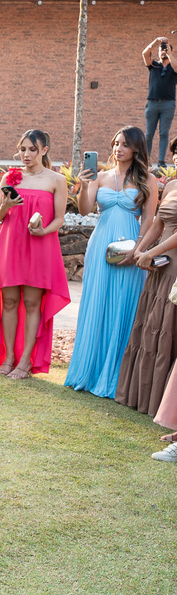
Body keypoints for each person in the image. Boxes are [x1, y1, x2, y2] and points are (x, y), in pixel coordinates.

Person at [65, 127, 156, 397]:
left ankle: (115, 377)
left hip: (130, 248)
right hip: (100, 246)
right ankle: (88, 370)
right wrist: (83, 185)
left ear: (137, 149)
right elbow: (84, 210)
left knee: (123, 307)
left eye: (125, 144)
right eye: (116, 143)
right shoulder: (100, 176)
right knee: (97, 304)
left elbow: (149, 219)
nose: (118, 148)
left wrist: (138, 249)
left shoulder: (148, 180)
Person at [0, 129, 71, 379]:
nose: (26, 154)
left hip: (40, 246)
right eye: (23, 149)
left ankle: (25, 361)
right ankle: (8, 356)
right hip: (10, 244)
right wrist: (6, 206)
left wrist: (43, 232)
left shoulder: (56, 180)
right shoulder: (10, 177)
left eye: (32, 149)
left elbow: (60, 219)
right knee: (9, 302)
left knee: (32, 303)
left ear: (44, 150)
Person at [116, 161, 177, 419]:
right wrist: (142, 251)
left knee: (168, 328)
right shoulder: (172, 184)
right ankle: (143, 396)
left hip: (173, 267)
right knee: (152, 324)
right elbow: (158, 224)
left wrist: (152, 252)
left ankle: (166, 404)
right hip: (159, 264)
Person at [143, 36, 177, 167]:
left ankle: (161, 162)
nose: (162, 51)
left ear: (171, 52)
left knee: (164, 133)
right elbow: (144, 53)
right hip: (152, 103)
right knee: (149, 134)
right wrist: (156, 41)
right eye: (161, 50)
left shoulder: (173, 68)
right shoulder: (154, 65)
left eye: (165, 49)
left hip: (168, 104)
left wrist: (168, 52)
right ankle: (145, 161)